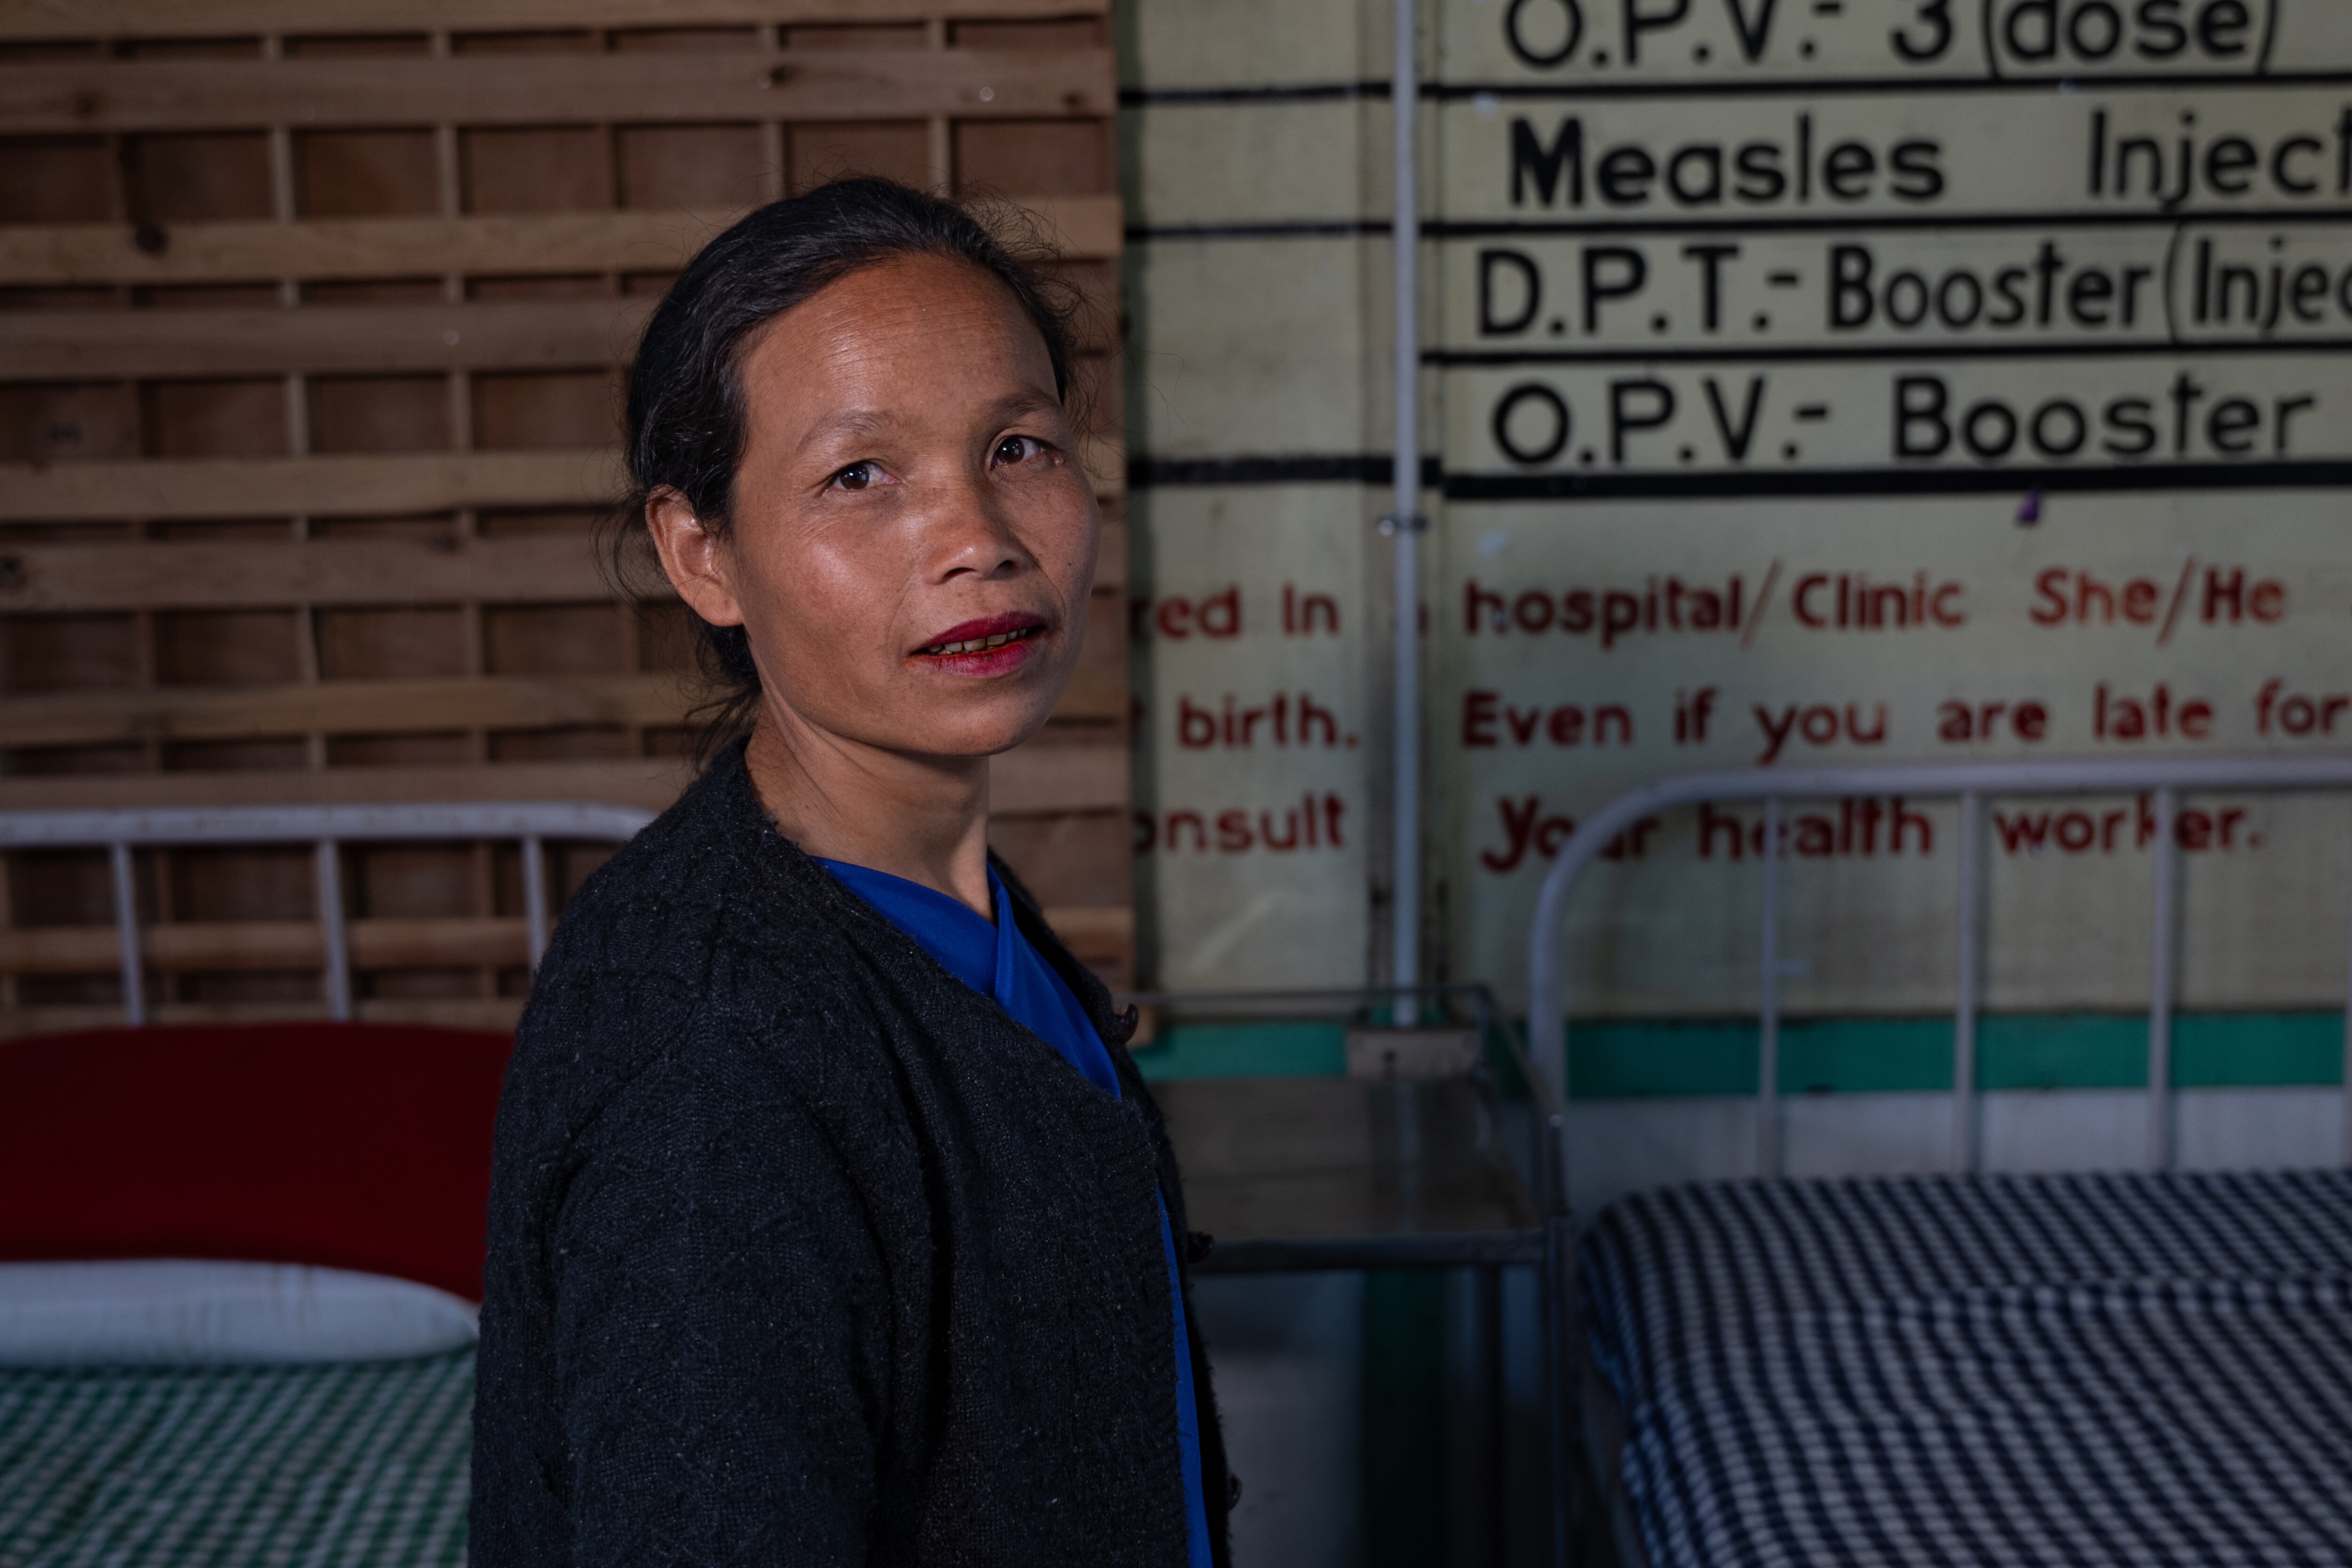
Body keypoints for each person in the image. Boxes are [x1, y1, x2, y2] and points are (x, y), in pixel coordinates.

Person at [469, 178, 1230, 1568]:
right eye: (859, 476)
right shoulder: (717, 1069)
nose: (978, 540)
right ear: (704, 555)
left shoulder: (943, 913)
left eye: (1018, 446)